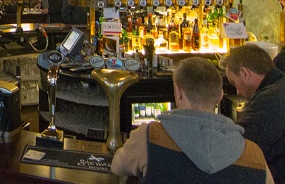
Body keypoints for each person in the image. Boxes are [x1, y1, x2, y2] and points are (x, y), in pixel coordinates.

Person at [112, 57, 274, 183]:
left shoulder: (149, 136)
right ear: (220, 96)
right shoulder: (254, 156)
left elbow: (117, 167)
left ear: (178, 91)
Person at [225, 45, 285, 183]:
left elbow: (240, 150)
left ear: (245, 73)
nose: (238, 92)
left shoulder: (267, 101)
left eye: (234, 83)